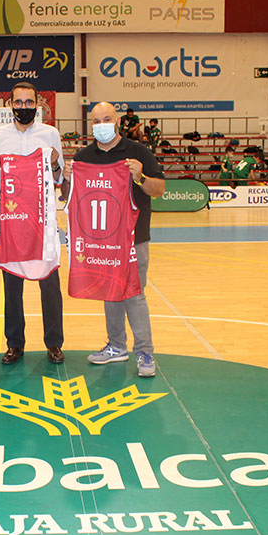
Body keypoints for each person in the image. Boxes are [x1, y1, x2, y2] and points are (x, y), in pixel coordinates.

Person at [61, 102, 165, 377]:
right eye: (96, 121)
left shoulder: (137, 151)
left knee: (134, 293)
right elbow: (67, 196)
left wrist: (140, 176)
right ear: (90, 123)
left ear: (117, 121)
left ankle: (144, 351)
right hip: (100, 239)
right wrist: (68, 179)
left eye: (106, 119)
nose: (101, 125)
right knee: (110, 292)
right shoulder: (85, 155)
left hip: (133, 238)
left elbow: (159, 189)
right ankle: (117, 345)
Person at [0, 82, 65, 365]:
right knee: (12, 283)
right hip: (12, 216)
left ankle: (54, 343)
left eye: (30, 103)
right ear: (11, 104)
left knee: (49, 282)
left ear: (38, 104)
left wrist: (54, 163)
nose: (24, 107)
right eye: (19, 102)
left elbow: (58, 179)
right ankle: (14, 344)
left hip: (43, 218)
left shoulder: (50, 134)